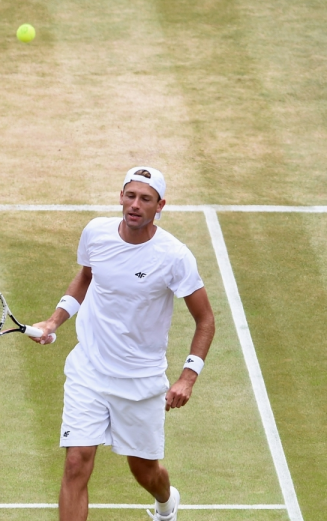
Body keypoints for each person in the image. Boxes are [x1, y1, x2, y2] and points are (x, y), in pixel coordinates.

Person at [30, 167, 215, 521]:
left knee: (145, 472)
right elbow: (86, 276)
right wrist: (55, 320)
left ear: (160, 205)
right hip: (89, 370)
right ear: (120, 196)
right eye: (130, 196)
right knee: (75, 462)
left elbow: (205, 319)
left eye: (145, 199)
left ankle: (166, 503)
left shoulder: (174, 256)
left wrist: (187, 378)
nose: (134, 205)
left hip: (140, 381)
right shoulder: (96, 233)